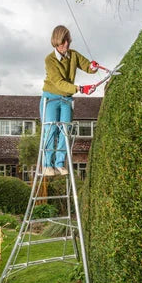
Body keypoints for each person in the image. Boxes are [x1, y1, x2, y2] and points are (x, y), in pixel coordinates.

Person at [40, 25, 98, 176]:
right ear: (55, 42)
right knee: (51, 129)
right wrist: (79, 89)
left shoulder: (73, 55)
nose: (66, 44)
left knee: (65, 131)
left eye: (68, 41)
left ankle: (59, 163)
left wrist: (93, 67)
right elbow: (58, 83)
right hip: (51, 98)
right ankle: (47, 165)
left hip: (66, 99)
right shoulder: (49, 60)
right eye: (63, 42)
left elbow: (87, 66)